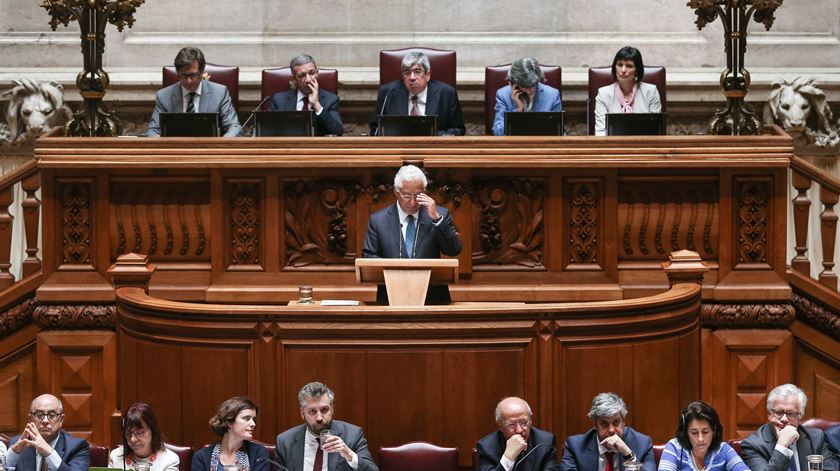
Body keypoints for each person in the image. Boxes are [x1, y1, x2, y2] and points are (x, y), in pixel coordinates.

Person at [360, 164, 463, 304]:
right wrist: (394, 270)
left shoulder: (440, 215)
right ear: (397, 192)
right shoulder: (378, 220)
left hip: (432, 298)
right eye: (407, 195)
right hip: (391, 297)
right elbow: (368, 257)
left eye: (418, 195)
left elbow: (454, 250)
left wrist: (437, 219)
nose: (413, 202)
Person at [275, 381, 378, 471]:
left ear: (332, 408)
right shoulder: (285, 442)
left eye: (324, 410)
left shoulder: (352, 435)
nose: (319, 417)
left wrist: (349, 455)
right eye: (312, 411)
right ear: (302, 413)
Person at [147, 47, 242, 137]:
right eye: (184, 76)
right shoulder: (164, 96)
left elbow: (234, 127)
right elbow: (153, 130)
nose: (189, 81)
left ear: (201, 72)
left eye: (193, 75)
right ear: (177, 72)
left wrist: (220, 144)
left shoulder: (220, 93)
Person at [741, 384, 837, 471]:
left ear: (800, 417)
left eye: (790, 414)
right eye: (778, 413)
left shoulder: (816, 438)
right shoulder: (753, 445)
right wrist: (782, 446)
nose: (784, 419)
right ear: (769, 415)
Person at [369, 51, 465, 136]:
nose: (412, 77)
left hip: (434, 150)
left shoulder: (447, 94)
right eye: (407, 72)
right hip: (398, 149)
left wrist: (432, 135)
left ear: (428, 75)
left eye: (417, 72)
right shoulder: (387, 93)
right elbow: (375, 129)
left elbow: (458, 130)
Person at [562, 392, 655, 471]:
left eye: (616, 422)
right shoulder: (575, 447)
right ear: (595, 425)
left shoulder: (642, 444)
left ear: (623, 422)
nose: (611, 430)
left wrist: (628, 455)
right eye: (604, 424)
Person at [5, 393, 90, 471]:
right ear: (31, 419)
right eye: (39, 415)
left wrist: (47, 451)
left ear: (61, 420)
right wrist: (13, 454)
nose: (45, 421)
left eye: (52, 415)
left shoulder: (78, 448)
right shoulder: (17, 444)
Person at [658, 401, 747, 471]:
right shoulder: (674, 447)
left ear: (714, 430)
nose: (700, 439)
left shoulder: (723, 450)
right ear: (685, 432)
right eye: (694, 433)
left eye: (705, 432)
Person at [476, 397, 560, 471]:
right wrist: (508, 457)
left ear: (531, 420)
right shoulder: (486, 447)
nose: (519, 430)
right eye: (511, 424)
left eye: (524, 422)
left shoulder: (545, 442)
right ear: (500, 425)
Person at [268, 53, 343, 136]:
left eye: (312, 73)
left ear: (317, 73)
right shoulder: (279, 100)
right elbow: (267, 130)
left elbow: (337, 131)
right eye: (302, 75)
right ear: (294, 78)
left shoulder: (331, 99)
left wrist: (316, 104)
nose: (308, 79)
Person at [594, 46, 661, 136]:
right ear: (615, 67)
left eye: (629, 66)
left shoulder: (651, 92)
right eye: (620, 65)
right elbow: (600, 132)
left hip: (644, 146)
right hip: (612, 147)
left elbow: (655, 131)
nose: (623, 70)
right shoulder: (603, 94)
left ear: (637, 70)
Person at [192, 396, 268, 471]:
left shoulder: (259, 453)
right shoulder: (202, 456)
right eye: (246, 418)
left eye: (253, 419)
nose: (253, 424)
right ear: (229, 422)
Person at [492, 57, 562, 136]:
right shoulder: (503, 95)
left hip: (542, 144)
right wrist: (518, 111)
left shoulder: (552, 95)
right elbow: (498, 132)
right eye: (524, 86)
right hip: (514, 145)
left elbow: (559, 131)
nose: (528, 91)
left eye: (532, 86)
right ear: (513, 83)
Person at [109, 402, 179, 471]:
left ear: (153, 430)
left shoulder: (169, 460)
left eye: (139, 433)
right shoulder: (115, 457)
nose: (133, 439)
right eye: (128, 434)